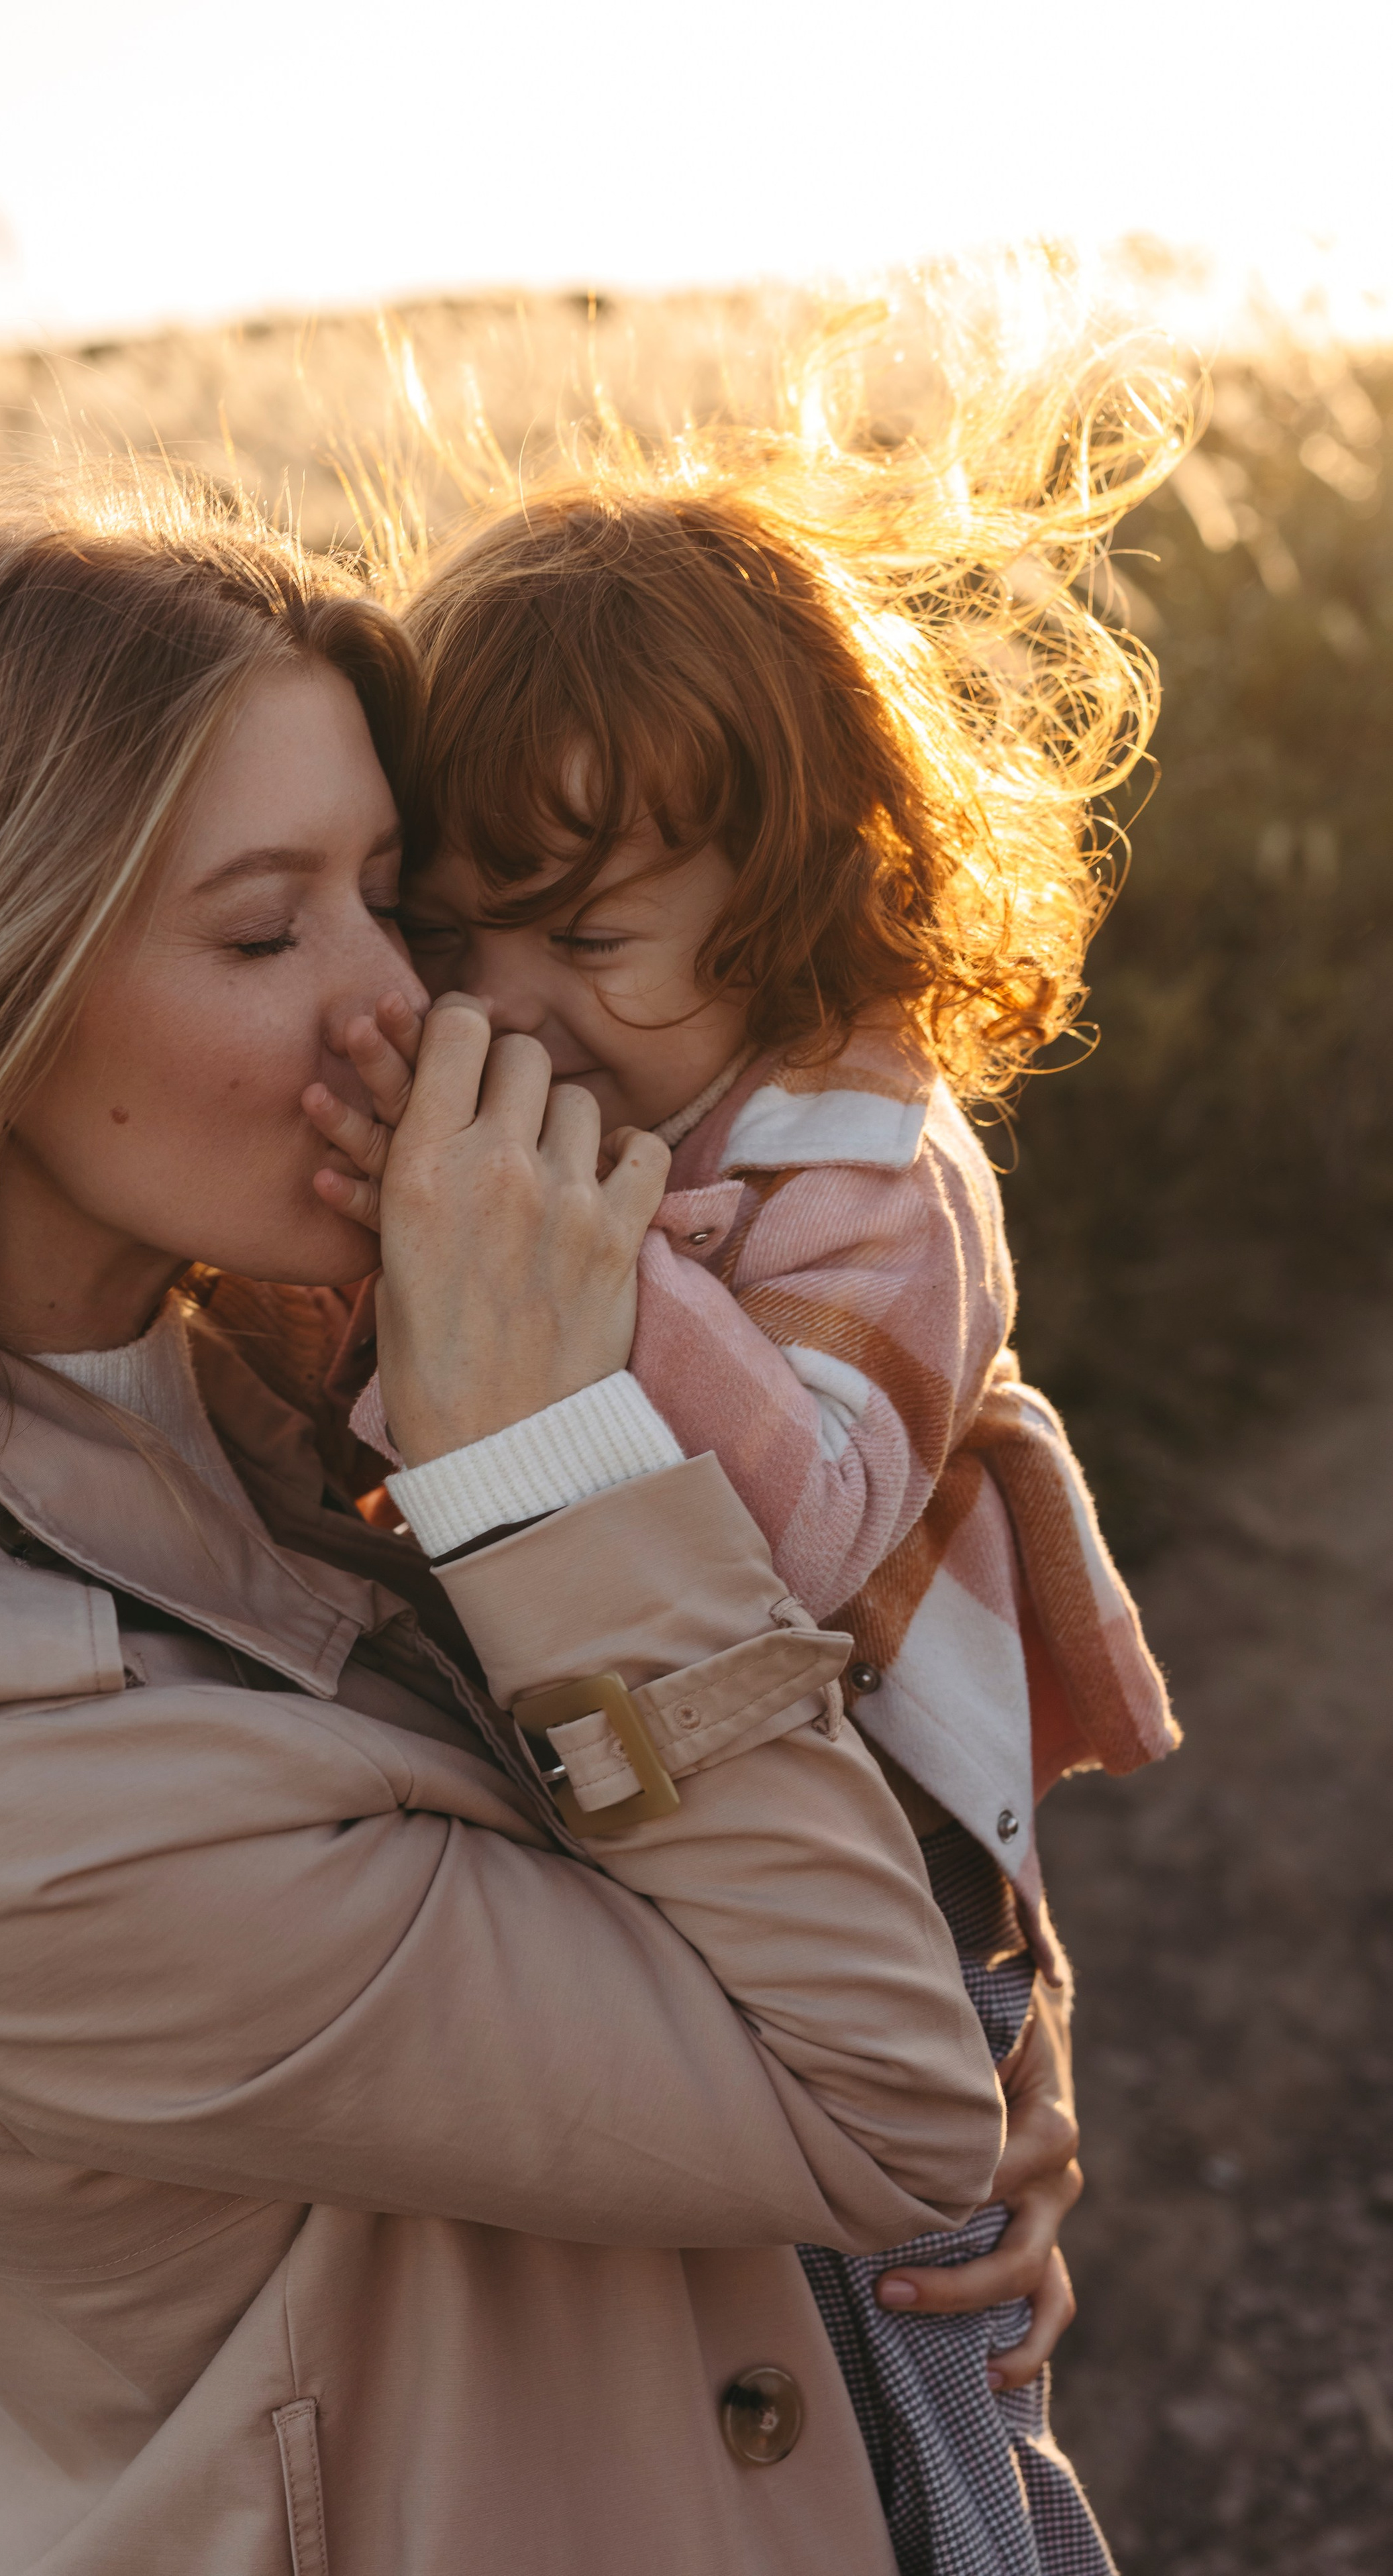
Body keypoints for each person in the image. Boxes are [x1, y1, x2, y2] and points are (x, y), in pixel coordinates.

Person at [0, 476, 1005, 2576]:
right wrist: (549, 1454)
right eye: (261, 931)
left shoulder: (257, 1371)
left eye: (398, 903)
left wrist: (932, 2255)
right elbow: (878, 2100)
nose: (408, 1011)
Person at [303, 366, 1184, 2573]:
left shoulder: (873, 1165)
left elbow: (802, 1523)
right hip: (671, 1848)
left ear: (802, 893)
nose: (509, 1008)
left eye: (587, 941)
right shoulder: (617, 1107)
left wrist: (578, 1261)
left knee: (923, 2420)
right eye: (455, 939)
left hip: (890, 1908)